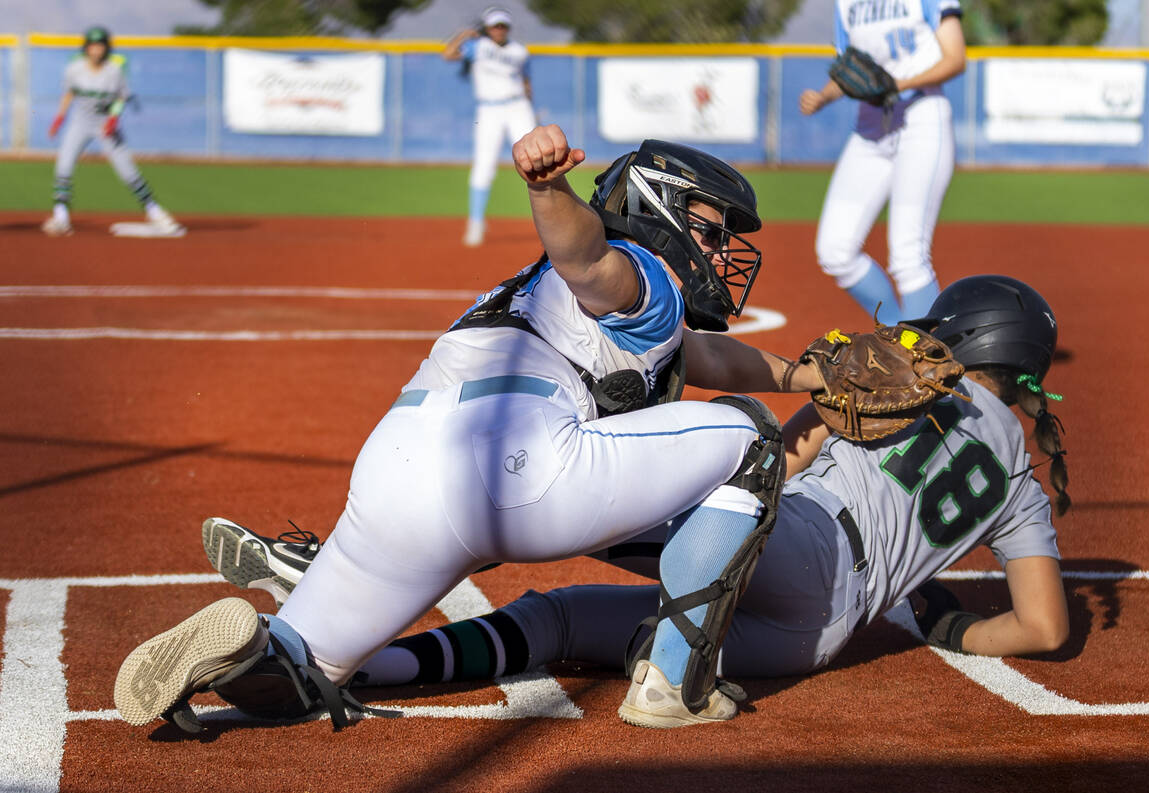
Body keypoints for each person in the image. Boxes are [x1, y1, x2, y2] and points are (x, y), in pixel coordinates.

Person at [114, 124, 831, 733]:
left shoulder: (566, 301)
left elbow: (700, 353)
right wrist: (549, 189)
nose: (719, 252)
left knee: (306, 668)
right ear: (657, 209)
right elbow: (585, 258)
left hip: (394, 468)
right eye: (710, 230)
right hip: (517, 474)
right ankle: (673, 685)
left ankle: (253, 653)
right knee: (749, 438)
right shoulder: (644, 274)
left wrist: (806, 375)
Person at [217, 275, 1070, 714]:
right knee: (555, 624)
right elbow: (1042, 628)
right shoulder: (1022, 479)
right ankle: (359, 665)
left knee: (643, 470)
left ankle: (332, 566)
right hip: (819, 633)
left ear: (959, 340)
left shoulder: (910, 381)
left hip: (795, 539)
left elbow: (788, 458)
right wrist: (940, 619)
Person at [800, 0, 966, 324]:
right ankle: (895, 336)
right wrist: (824, 95)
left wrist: (897, 85)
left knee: (908, 256)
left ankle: (923, 360)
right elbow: (852, 73)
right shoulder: (846, 4)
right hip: (870, 125)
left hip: (921, 116)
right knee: (835, 251)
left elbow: (955, 58)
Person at [41, 26, 183, 238]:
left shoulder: (114, 70)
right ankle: (61, 217)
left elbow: (121, 97)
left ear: (106, 48)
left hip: (105, 124)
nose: (96, 50)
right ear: (86, 48)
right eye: (92, 46)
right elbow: (68, 94)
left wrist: (113, 119)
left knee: (127, 169)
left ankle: (155, 212)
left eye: (100, 46)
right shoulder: (75, 68)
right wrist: (59, 118)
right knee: (64, 165)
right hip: (80, 122)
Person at [442, 6, 537, 247]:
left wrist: (530, 105)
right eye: (495, 26)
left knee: (535, 159)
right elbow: (448, 54)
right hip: (489, 109)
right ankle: (475, 222)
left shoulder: (519, 51)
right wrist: (464, 35)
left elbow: (525, 81)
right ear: (487, 28)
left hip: (517, 107)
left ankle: (549, 219)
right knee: (484, 164)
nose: (499, 30)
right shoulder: (479, 47)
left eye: (503, 26)